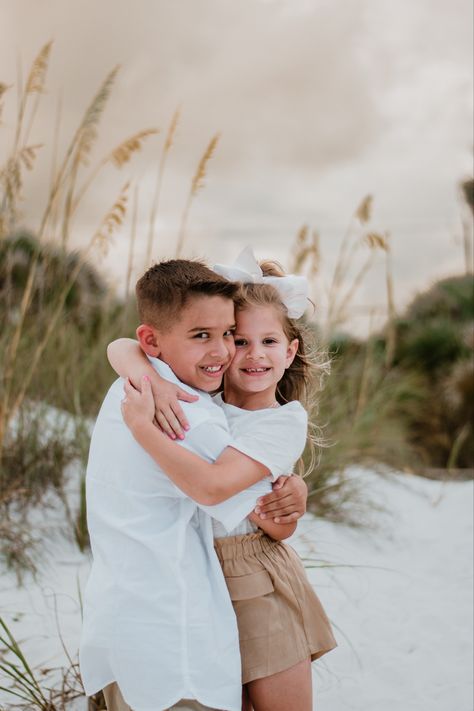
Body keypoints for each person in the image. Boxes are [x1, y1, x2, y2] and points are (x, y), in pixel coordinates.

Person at [79, 258, 308, 711]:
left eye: (266, 341)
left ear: (290, 351)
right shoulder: (200, 403)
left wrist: (293, 496)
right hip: (203, 578)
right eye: (235, 338)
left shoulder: (246, 418)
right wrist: (143, 371)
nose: (239, 353)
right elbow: (124, 344)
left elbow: (258, 514)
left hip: (252, 576)